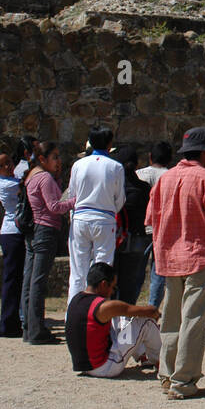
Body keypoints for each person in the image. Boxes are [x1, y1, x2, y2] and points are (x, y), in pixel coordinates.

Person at [146, 127, 205, 399]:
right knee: (193, 320)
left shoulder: (165, 179)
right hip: (198, 255)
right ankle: (184, 381)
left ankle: (167, 375)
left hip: (168, 257)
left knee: (171, 318)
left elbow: (150, 218)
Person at [65, 261, 163, 377]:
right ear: (103, 284)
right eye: (112, 287)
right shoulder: (104, 306)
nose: (112, 291)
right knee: (147, 322)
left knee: (123, 319)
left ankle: (143, 354)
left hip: (85, 366)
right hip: (105, 367)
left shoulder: (76, 299)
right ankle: (162, 363)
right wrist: (157, 315)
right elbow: (150, 312)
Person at [22, 142, 75, 344]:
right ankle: (36, 330)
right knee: (38, 282)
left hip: (35, 230)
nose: (59, 161)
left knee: (30, 280)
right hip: (45, 229)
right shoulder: (44, 178)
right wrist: (76, 201)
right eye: (54, 157)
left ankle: (30, 327)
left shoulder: (33, 175)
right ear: (43, 159)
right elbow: (54, 206)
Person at [66, 126, 125, 303]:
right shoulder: (116, 167)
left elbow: (72, 195)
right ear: (109, 144)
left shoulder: (78, 165)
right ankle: (99, 313)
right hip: (105, 219)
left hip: (80, 217)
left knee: (77, 270)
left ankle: (73, 313)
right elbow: (120, 199)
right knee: (104, 269)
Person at [0, 148, 25, 338]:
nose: (7, 166)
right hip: (12, 232)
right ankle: (7, 322)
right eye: (1, 165)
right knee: (12, 279)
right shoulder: (7, 184)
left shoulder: (11, 179)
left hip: (15, 232)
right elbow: (26, 186)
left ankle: (14, 319)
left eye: (8, 162)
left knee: (16, 279)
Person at [112, 145, 151, 305]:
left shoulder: (114, 188)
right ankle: (126, 318)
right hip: (137, 238)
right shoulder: (143, 188)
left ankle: (112, 318)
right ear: (136, 165)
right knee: (131, 283)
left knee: (112, 282)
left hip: (115, 238)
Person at [139, 141, 173, 309]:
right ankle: (153, 307)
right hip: (163, 229)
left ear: (150, 157)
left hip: (141, 228)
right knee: (158, 272)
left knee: (136, 270)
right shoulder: (172, 176)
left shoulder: (139, 174)